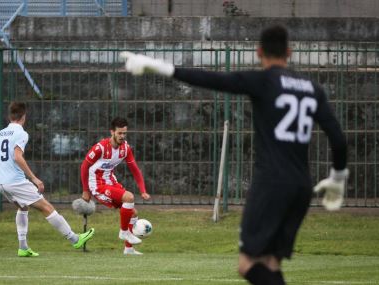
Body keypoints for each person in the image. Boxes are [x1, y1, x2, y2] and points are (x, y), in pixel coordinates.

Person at [121, 25, 348, 284]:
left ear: (258, 51)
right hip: (301, 186)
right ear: (290, 52)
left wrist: (157, 66)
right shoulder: (312, 89)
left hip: (271, 184)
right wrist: (338, 177)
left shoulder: (262, 81)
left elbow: (211, 80)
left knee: (247, 264)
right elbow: (338, 138)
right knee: (271, 264)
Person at [0, 102, 94, 257]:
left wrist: (2, 175)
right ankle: (75, 239)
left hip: (0, 182)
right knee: (46, 207)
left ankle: (23, 248)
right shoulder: (21, 133)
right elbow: (17, 156)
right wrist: (34, 178)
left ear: (9, 116)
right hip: (15, 181)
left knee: (23, 207)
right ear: (24, 117)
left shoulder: (0, 134)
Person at [80, 117, 151, 255]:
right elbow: (84, 166)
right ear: (112, 132)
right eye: (119, 133)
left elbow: (135, 170)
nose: (122, 136)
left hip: (111, 182)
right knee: (129, 197)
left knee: (133, 213)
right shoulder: (100, 148)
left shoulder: (125, 148)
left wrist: (143, 191)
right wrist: (85, 190)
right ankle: (124, 232)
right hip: (98, 185)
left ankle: (129, 249)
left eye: (124, 133)